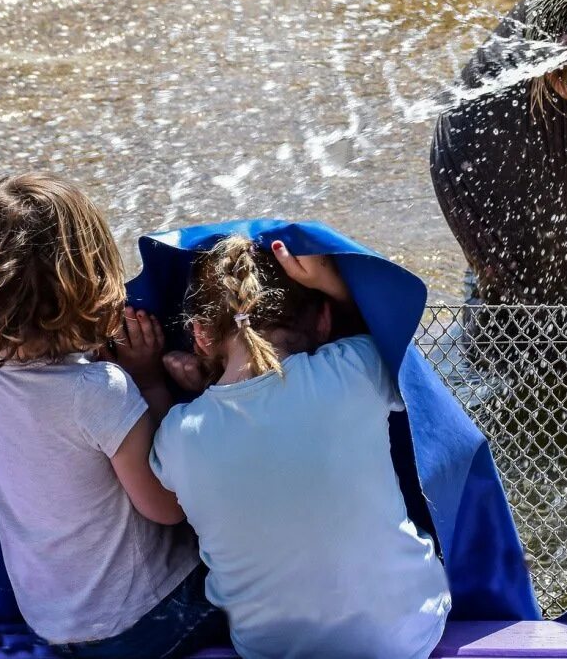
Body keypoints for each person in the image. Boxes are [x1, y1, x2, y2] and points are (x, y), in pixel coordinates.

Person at [0, 174, 224, 659]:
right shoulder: (100, 393)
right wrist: (150, 382)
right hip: (135, 624)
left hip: (48, 616)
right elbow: (168, 507)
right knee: (251, 571)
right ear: (91, 273)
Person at [148, 236, 452, 659]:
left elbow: (172, 497)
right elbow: (388, 332)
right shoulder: (355, 368)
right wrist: (338, 287)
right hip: (406, 634)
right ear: (324, 321)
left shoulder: (178, 434)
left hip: (270, 649)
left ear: (199, 334)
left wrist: (156, 383)